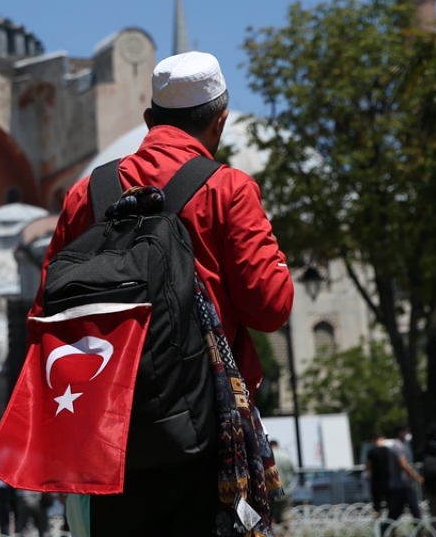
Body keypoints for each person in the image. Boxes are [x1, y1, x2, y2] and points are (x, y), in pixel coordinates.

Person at [35, 50, 293, 536]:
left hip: (106, 435)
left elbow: (45, 312)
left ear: (150, 120)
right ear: (221, 120)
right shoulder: (228, 189)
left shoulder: (85, 194)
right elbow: (271, 307)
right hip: (206, 434)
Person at [384, 425, 424, 522]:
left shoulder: (400, 445)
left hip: (401, 485)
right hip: (401, 486)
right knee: (412, 511)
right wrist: (417, 477)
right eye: (405, 432)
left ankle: (384, 530)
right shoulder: (397, 446)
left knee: (398, 512)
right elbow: (403, 465)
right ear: (399, 433)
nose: (406, 435)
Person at [268, 439, 297, 526]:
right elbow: (293, 472)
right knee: (286, 517)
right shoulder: (286, 456)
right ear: (277, 445)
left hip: (271, 492)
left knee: (272, 518)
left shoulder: (267, 457)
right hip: (285, 492)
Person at [365, 431, 392, 517]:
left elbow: (368, 467)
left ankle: (377, 524)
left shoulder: (371, 452)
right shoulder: (388, 451)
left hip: (376, 481)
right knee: (390, 503)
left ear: (374, 440)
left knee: (377, 504)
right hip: (388, 480)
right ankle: (391, 523)